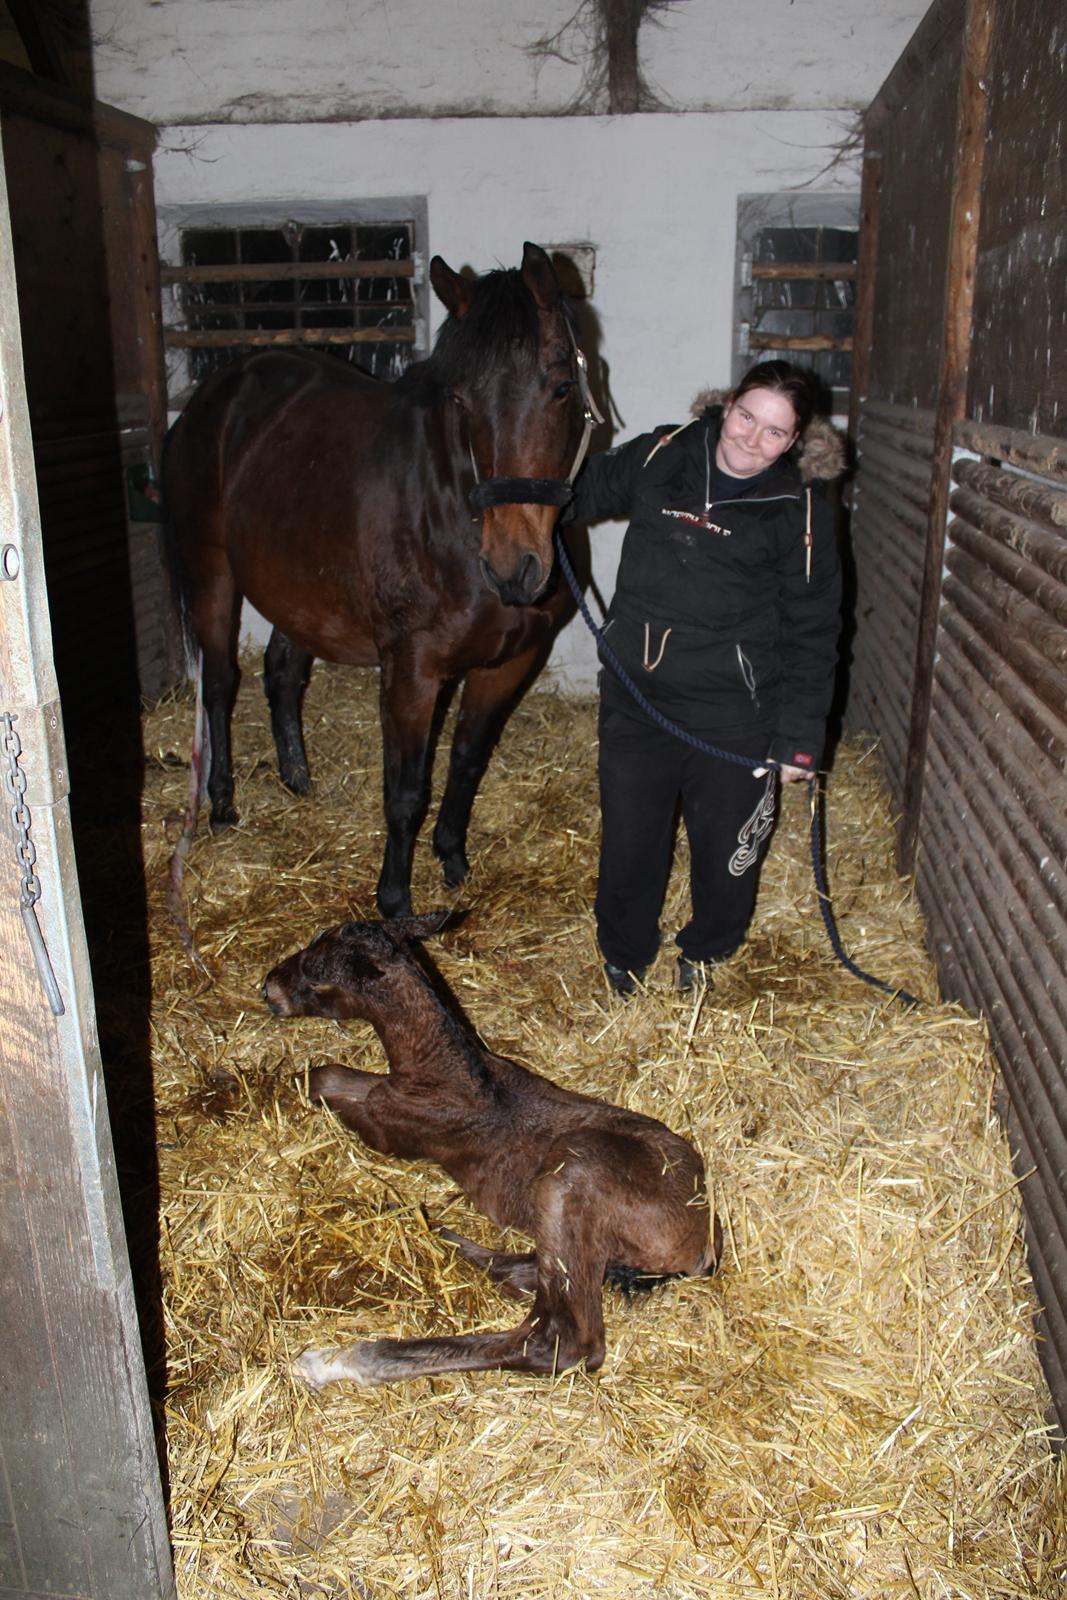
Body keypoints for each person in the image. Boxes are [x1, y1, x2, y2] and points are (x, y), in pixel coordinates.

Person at [566, 359, 844, 997]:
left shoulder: (801, 512)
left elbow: (814, 629)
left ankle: (710, 947)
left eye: (774, 432)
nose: (751, 438)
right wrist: (519, 494)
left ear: (795, 442)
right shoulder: (664, 452)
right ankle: (624, 951)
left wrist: (799, 739)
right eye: (746, 416)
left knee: (726, 853)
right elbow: (580, 491)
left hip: (735, 713)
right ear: (727, 404)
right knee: (631, 841)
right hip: (638, 698)